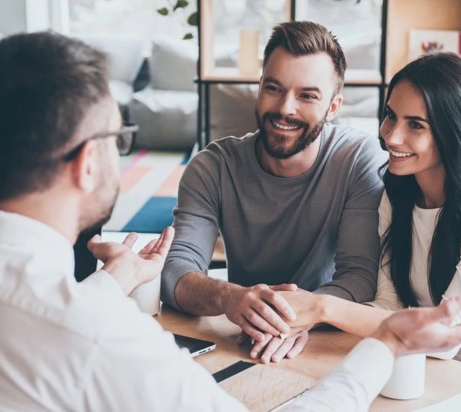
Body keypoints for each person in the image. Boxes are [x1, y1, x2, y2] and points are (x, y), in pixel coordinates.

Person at [0, 32, 461, 412]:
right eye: (120, 139)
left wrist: (116, 281)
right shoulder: (99, 337)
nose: (285, 107)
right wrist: (385, 340)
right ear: (89, 161)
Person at [272, 52, 461, 392]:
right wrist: (310, 321)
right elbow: (389, 306)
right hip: (436, 369)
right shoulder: (396, 197)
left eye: (415, 125)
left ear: (454, 132)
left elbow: (447, 336)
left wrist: (322, 308)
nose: (391, 137)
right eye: (390, 116)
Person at [161, 21, 386, 363]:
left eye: (307, 95)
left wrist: (298, 315)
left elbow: (359, 276)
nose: (285, 109)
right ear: (260, 88)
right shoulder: (212, 167)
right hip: (242, 337)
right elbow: (176, 270)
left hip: (321, 338)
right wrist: (229, 297)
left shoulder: (357, 159)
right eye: (274, 88)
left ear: (334, 107)